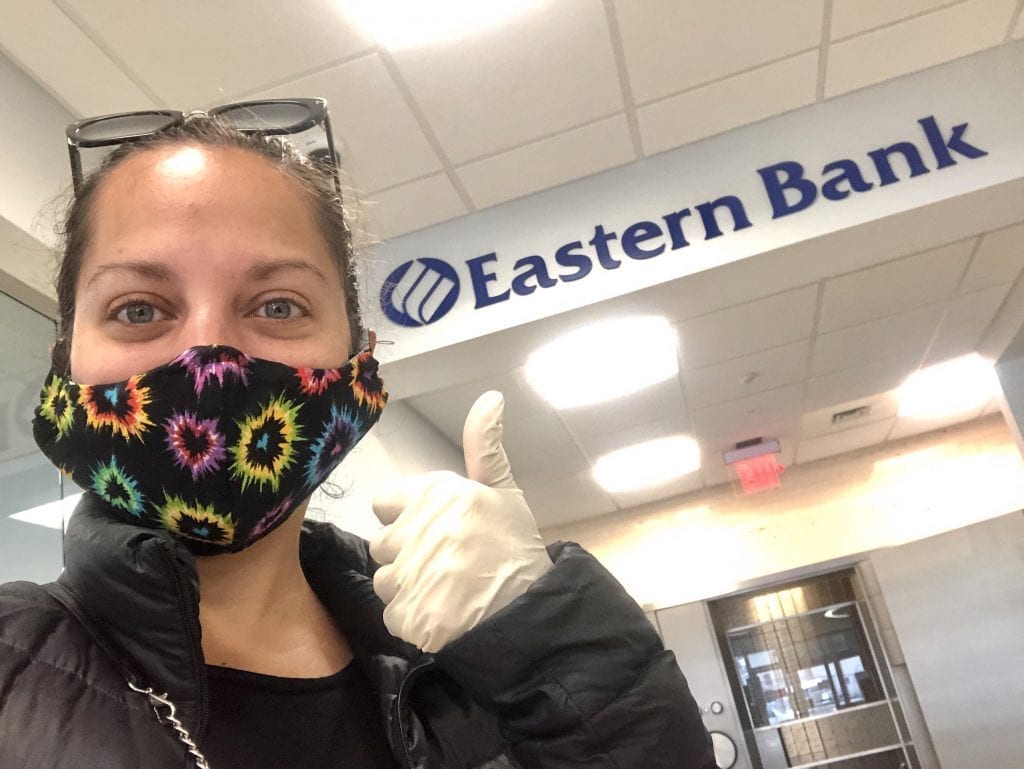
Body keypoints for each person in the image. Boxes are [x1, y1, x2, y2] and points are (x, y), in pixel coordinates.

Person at [0, 100, 718, 769]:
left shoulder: (468, 677)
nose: (211, 359)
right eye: (137, 309)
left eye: (278, 303)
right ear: (68, 358)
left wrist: (555, 646)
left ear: (358, 355)